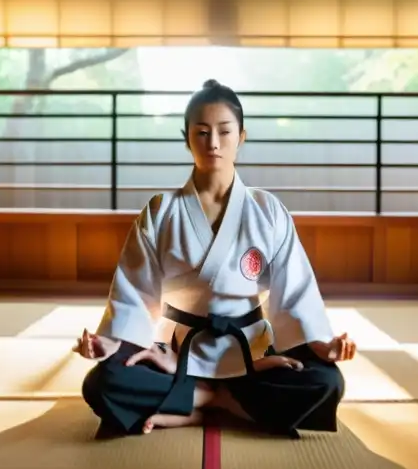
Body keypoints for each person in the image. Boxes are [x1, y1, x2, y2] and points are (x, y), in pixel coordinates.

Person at [75, 79, 357, 438]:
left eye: (224, 131)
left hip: (252, 351)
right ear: (186, 137)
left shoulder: (267, 209)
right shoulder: (162, 210)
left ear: (241, 136)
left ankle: (201, 403)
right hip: (178, 351)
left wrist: (322, 344)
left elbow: (295, 292)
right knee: (103, 382)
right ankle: (227, 403)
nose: (213, 143)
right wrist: (109, 343)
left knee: (326, 381)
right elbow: (134, 294)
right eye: (202, 132)